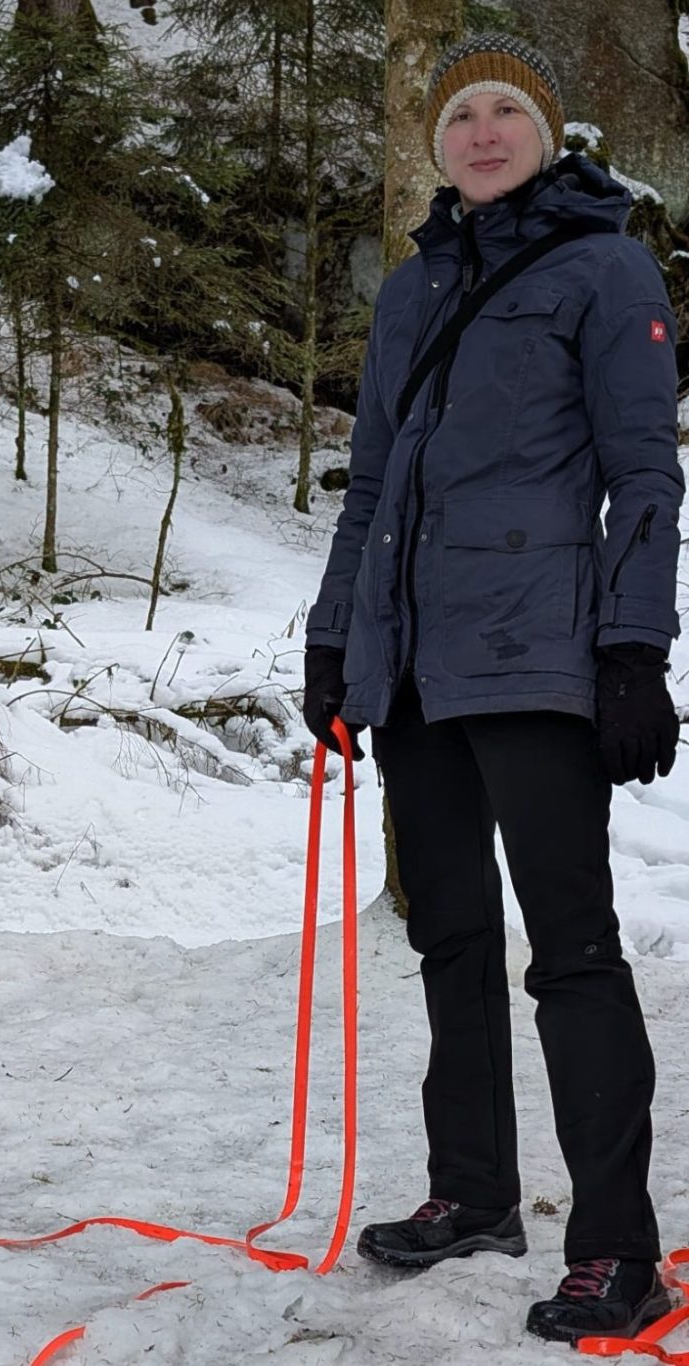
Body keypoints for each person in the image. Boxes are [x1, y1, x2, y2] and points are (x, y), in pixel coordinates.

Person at [301, 32, 683, 1344]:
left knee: (567, 948)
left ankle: (618, 1250)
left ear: (547, 128)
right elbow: (370, 485)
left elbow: (645, 473)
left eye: (503, 107)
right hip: (414, 668)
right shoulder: (411, 288)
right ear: (432, 137)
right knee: (448, 937)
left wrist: (634, 649)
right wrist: (335, 643)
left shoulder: (603, 266)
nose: (477, 127)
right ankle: (469, 1192)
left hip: (538, 660)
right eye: (457, 108)